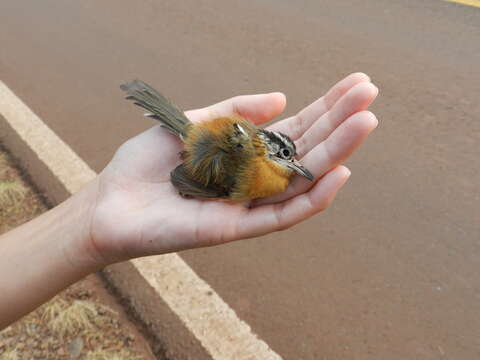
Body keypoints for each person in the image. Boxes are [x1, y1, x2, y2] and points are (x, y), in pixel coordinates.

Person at [0, 73, 378, 328]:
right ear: (266, 150)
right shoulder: (253, 177)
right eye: (283, 158)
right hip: (214, 153)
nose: (291, 166)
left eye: (291, 159)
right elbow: (198, 179)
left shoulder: (270, 164)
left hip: (218, 143)